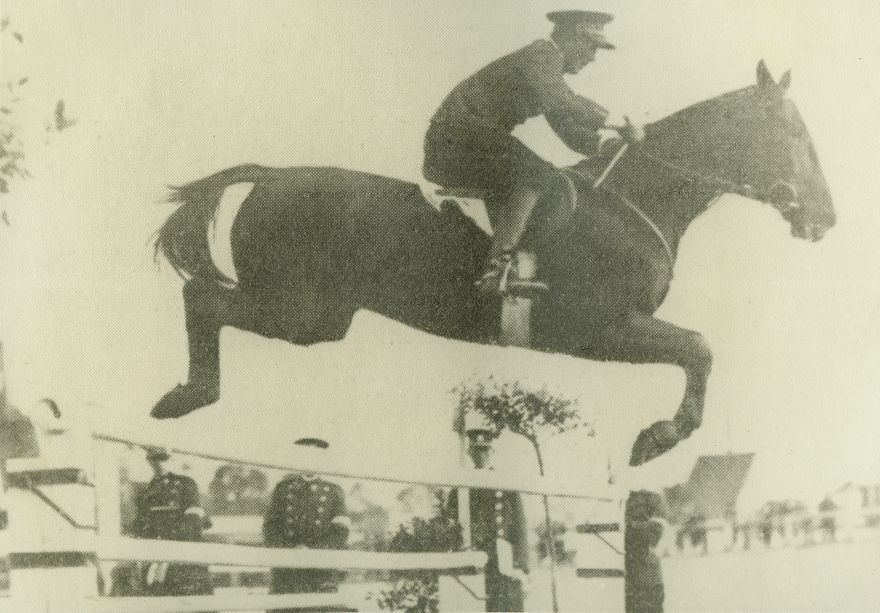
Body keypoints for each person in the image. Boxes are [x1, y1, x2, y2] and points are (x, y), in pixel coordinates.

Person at [423, 10, 641, 294]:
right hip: (454, 139)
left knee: (537, 173)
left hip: (467, 140)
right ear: (574, 37)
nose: (592, 58)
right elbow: (563, 101)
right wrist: (619, 123)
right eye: (592, 47)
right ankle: (497, 269)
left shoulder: (549, 72)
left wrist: (604, 146)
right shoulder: (541, 54)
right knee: (536, 173)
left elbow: (566, 127)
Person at [445, 431, 529, 612]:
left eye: (485, 450)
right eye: (476, 451)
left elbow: (520, 524)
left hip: (503, 557)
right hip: (474, 555)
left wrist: (522, 564)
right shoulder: (461, 487)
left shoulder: (505, 483)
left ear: (493, 452)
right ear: (470, 453)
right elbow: (450, 522)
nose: (481, 456)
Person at [263, 438, 350, 611]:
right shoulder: (283, 489)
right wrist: (288, 550)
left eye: (316, 457)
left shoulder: (334, 491)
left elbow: (341, 531)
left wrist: (314, 551)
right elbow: (270, 527)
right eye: (305, 456)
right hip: (287, 569)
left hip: (320, 568)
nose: (310, 461)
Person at [130, 447, 213, 597]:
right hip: (154, 553)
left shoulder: (185, 484)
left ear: (171, 459)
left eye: (163, 458)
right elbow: (140, 526)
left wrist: (171, 550)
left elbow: (193, 522)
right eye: (154, 459)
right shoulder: (145, 493)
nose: (159, 463)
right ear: (149, 461)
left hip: (183, 552)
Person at [624, 490, 669, 613]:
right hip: (632, 581)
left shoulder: (656, 522)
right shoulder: (625, 498)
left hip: (649, 581)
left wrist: (627, 526)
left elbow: (653, 532)